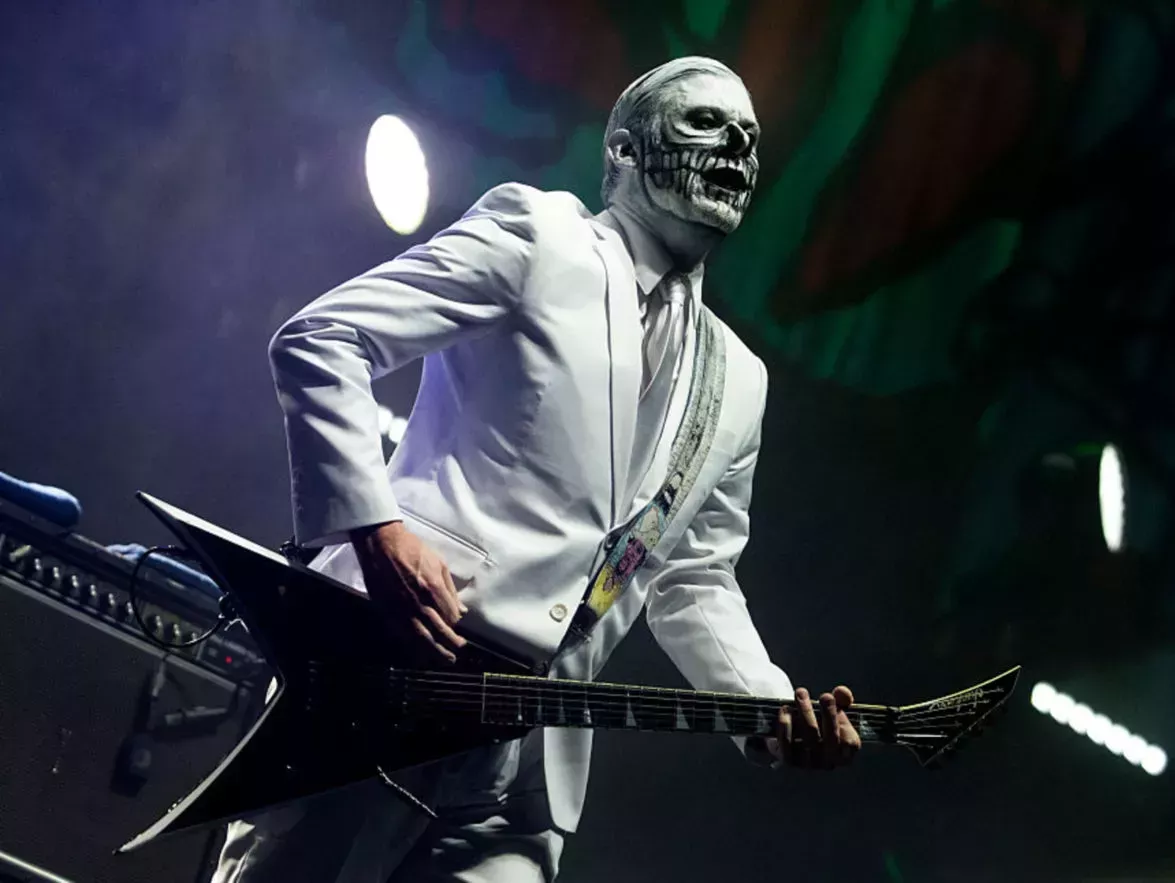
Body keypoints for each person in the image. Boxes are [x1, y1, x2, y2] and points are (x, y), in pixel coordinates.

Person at [213, 57, 858, 883]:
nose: (736, 144)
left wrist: (764, 706)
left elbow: (693, 576)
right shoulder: (541, 237)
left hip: (526, 774)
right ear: (623, 149)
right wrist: (376, 529)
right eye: (704, 122)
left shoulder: (737, 378)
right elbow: (322, 340)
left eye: (750, 136)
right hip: (389, 672)